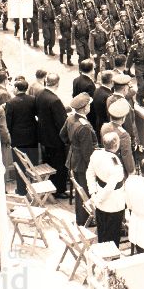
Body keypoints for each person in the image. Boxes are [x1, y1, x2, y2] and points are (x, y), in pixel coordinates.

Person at [60, 93, 97, 226]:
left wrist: (73, 145)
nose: (89, 107)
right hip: (83, 163)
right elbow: (88, 153)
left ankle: (81, 217)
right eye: (88, 105)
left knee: (79, 190)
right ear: (84, 107)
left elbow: (62, 135)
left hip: (74, 158)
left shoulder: (70, 119)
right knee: (84, 191)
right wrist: (93, 169)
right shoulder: (84, 127)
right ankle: (84, 219)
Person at [87, 132, 127, 244]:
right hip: (113, 203)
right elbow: (110, 187)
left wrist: (93, 193)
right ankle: (112, 259)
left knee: (102, 233)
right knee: (112, 237)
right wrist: (97, 198)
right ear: (116, 145)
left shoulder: (96, 154)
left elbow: (90, 173)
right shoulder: (115, 164)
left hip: (99, 198)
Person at [35, 73, 69, 199]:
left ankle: (50, 185)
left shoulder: (40, 94)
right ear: (57, 83)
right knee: (59, 164)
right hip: (55, 138)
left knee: (49, 161)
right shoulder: (55, 100)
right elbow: (61, 123)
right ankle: (59, 189)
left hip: (44, 135)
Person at [5, 79, 39, 196]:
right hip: (32, 136)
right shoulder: (33, 100)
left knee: (19, 165)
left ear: (16, 88)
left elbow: (8, 123)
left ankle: (21, 189)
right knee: (32, 164)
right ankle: (35, 188)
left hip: (18, 138)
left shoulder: (11, 103)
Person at [100, 99, 136, 174]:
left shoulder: (104, 126)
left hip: (105, 162)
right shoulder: (123, 134)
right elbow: (126, 155)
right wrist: (131, 170)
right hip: (118, 166)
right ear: (123, 118)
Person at [92, 70, 114, 141]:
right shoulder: (109, 96)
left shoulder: (97, 90)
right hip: (107, 128)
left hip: (98, 123)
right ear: (112, 81)